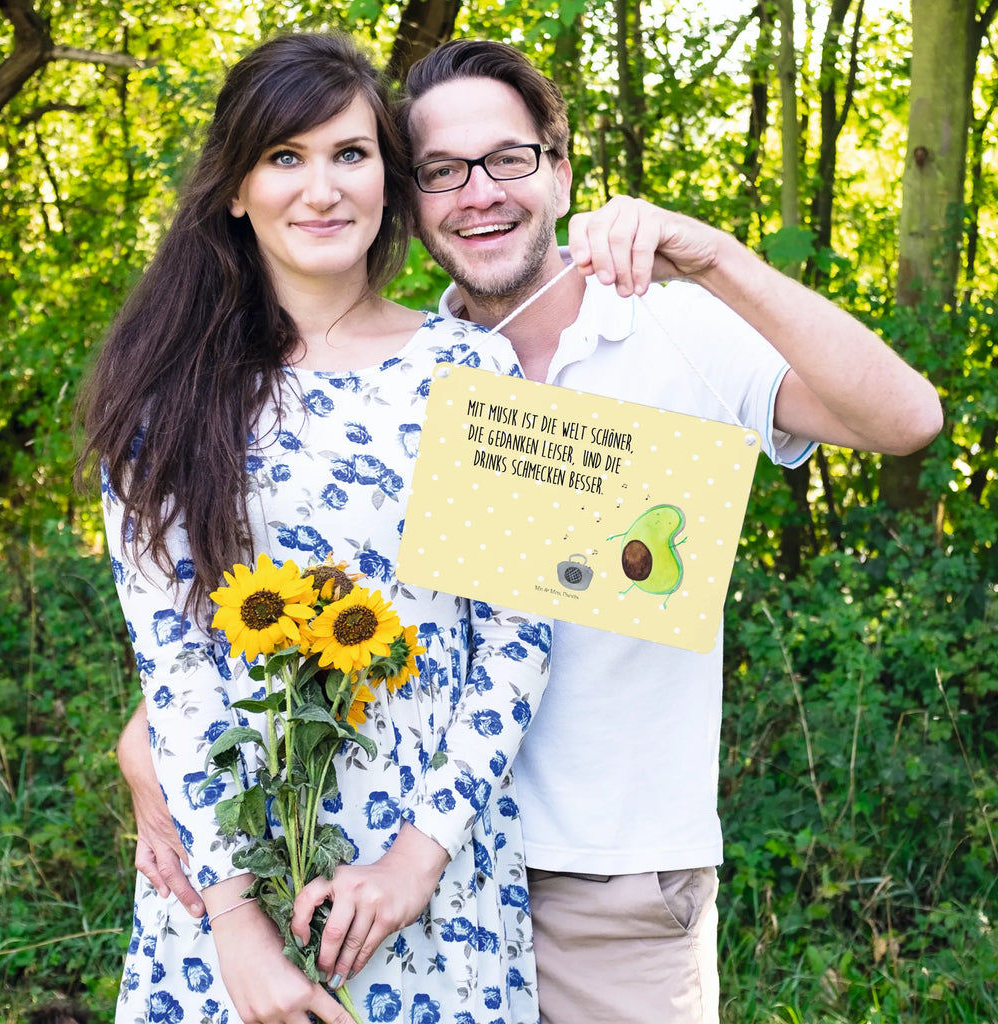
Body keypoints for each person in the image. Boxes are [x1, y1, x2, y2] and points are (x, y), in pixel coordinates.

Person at [116, 36, 944, 1024]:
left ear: (559, 169)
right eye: (440, 171)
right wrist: (160, 759)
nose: (477, 192)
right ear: (410, 198)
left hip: (587, 878)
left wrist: (715, 255)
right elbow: (237, 619)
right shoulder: (350, 372)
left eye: (506, 159)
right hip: (329, 868)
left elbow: (904, 422)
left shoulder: (645, 329)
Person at [79, 32, 551, 1024]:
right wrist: (236, 926)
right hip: (224, 888)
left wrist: (416, 861)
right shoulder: (164, 398)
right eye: (284, 158)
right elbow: (177, 670)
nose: (322, 188)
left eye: (350, 153)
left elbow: (514, 640)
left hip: (428, 884)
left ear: (388, 177)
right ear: (236, 189)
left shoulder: (475, 372)